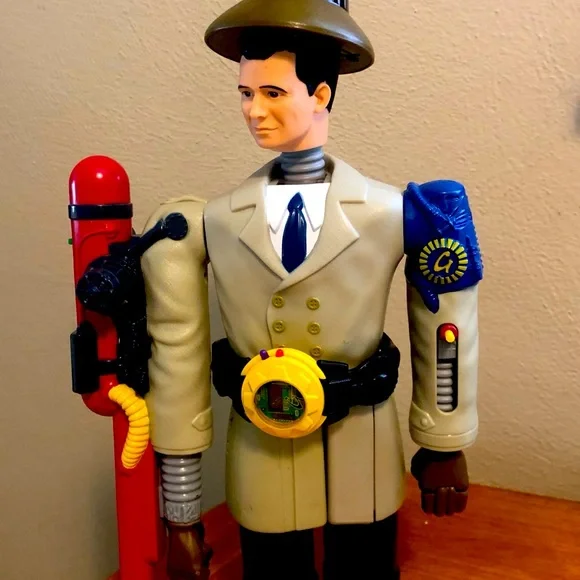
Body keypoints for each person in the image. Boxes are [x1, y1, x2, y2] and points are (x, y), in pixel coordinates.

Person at [141, 1, 483, 578]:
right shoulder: (208, 221)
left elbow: (445, 325)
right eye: (246, 93)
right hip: (263, 435)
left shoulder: (394, 212)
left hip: (362, 433)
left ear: (321, 93)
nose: (254, 111)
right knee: (273, 565)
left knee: (366, 563)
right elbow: (177, 357)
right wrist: (181, 509)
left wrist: (443, 439)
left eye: (273, 92)